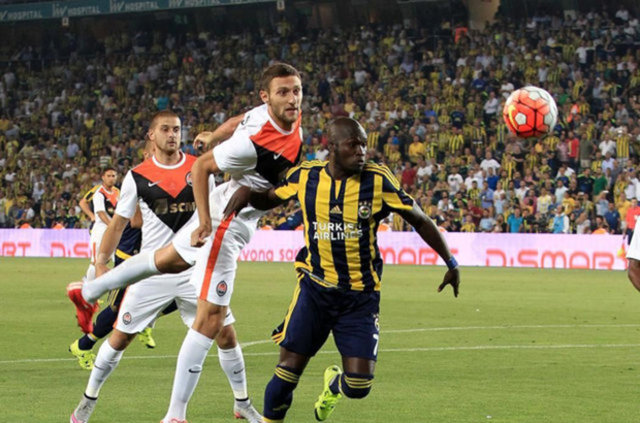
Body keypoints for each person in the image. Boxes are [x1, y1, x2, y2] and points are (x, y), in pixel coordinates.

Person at [67, 62, 303, 423]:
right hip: (220, 229)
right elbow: (202, 167)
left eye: (296, 91)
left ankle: (89, 292)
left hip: (202, 246)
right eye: (283, 92)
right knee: (193, 322)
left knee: (222, 328)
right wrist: (207, 221)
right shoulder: (142, 175)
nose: (292, 99)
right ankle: (168, 414)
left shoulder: (277, 116)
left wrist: (213, 135)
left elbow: (239, 119)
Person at [223, 117, 460, 422]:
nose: (361, 151)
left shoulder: (378, 180)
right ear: (332, 147)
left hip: (360, 297)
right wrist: (248, 194)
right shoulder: (306, 176)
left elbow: (421, 219)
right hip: (315, 290)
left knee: (359, 386)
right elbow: (271, 198)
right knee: (287, 372)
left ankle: (333, 385)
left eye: (363, 145)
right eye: (353, 145)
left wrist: (450, 262)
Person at [68, 141, 173, 370]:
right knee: (116, 308)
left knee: (175, 293)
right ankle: (83, 344)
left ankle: (144, 319)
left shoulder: (162, 179)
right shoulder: (138, 179)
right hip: (128, 255)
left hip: (148, 252)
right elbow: (135, 222)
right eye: (155, 152)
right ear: (146, 153)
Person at [86, 167, 118, 281]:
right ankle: (89, 288)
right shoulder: (99, 193)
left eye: (113, 176)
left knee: (112, 260)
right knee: (95, 261)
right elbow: (101, 213)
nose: (111, 178)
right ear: (103, 177)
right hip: (101, 231)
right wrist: (113, 226)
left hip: (113, 232)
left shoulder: (116, 193)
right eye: (108, 176)